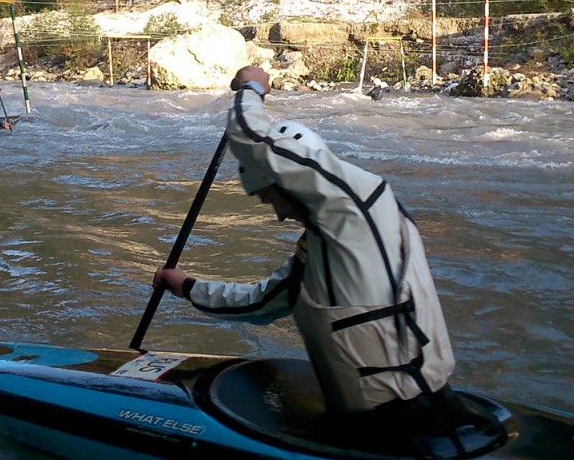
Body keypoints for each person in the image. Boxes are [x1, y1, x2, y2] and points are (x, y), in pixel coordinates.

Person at [153, 65, 499, 443]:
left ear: (293, 178)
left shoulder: (359, 203)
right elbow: (261, 301)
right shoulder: (323, 245)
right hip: (366, 423)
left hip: (411, 419)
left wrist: (251, 88)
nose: (278, 213)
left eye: (271, 197)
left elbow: (253, 139)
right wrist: (186, 286)